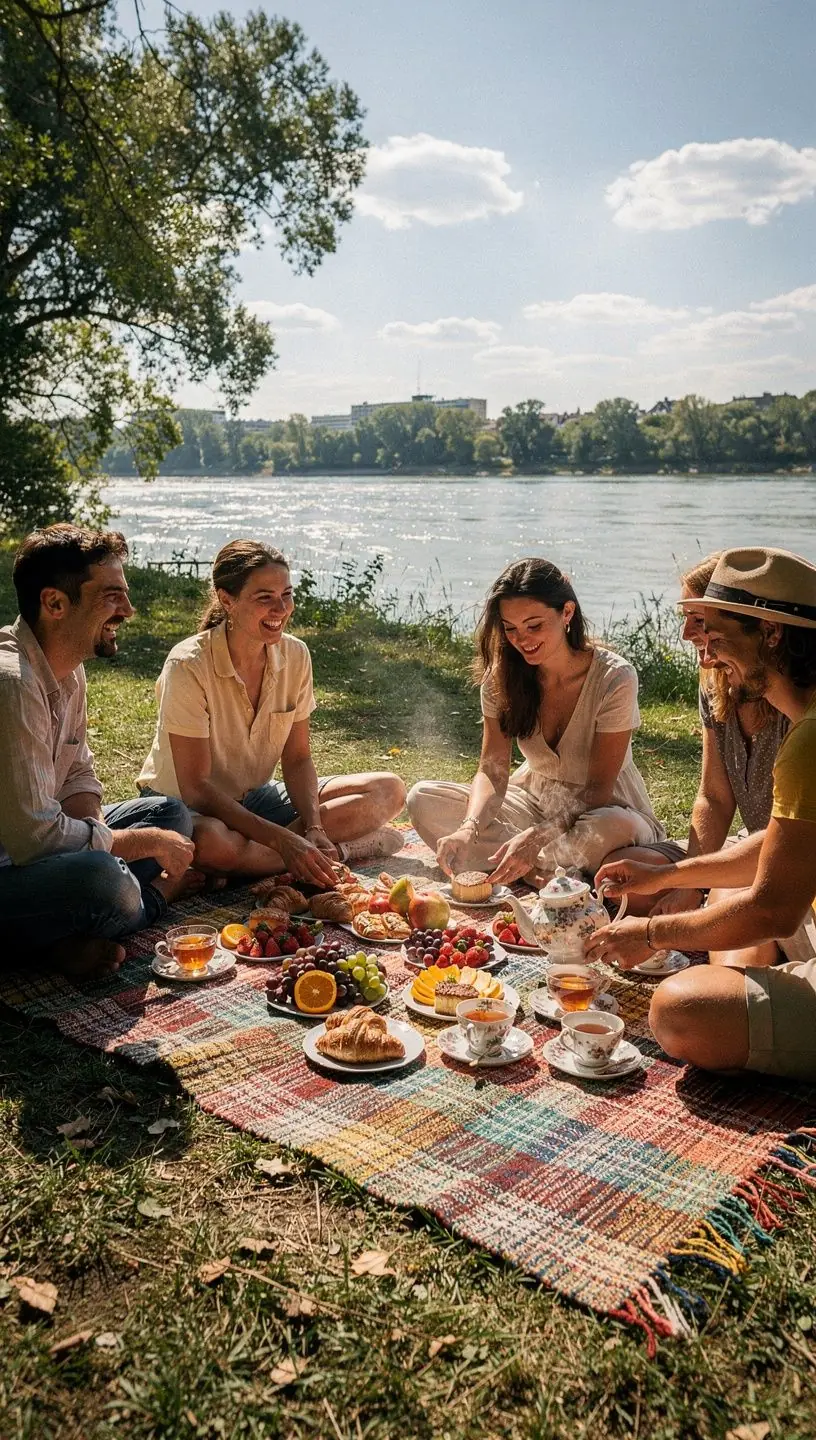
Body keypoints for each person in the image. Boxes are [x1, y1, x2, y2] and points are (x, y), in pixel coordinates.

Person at [587, 546, 816, 1083]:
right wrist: (671, 874)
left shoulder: (808, 742)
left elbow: (774, 910)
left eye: (715, 634)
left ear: (770, 633)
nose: (706, 652)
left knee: (679, 1009)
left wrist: (651, 934)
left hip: (796, 920)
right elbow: (777, 847)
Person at [138, 539, 406, 885]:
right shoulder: (188, 665)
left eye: (287, 594)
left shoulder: (296, 656)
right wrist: (282, 839)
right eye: (265, 598)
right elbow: (197, 789)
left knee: (389, 790)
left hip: (254, 801)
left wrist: (312, 826)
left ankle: (268, 859)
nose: (280, 608)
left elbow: (297, 759)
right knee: (210, 843)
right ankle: (331, 853)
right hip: (183, 809)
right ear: (226, 600)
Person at [0, 525, 197, 977]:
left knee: (170, 815)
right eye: (112, 596)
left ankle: (64, 938)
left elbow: (78, 776)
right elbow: (35, 839)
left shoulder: (68, 667)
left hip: (37, 858)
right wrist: (135, 846)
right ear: (55, 603)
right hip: (11, 864)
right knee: (106, 882)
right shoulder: (12, 683)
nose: (128, 610)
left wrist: (110, 838)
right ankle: (155, 900)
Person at [407, 557, 666, 886]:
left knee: (613, 828)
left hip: (604, 810)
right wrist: (468, 827)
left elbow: (599, 789)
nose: (521, 639)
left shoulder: (615, 678)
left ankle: (525, 867)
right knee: (423, 798)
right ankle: (546, 872)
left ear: (567, 613)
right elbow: (492, 769)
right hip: (534, 801)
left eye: (534, 625)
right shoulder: (500, 678)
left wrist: (538, 836)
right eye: (510, 628)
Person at [603, 555, 796, 959]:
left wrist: (663, 921)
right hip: (749, 847)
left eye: (701, 622)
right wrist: (678, 882)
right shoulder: (718, 682)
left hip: (782, 858)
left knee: (692, 989)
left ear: (766, 631)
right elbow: (714, 797)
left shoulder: (797, 712)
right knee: (624, 875)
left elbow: (783, 849)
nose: (691, 636)